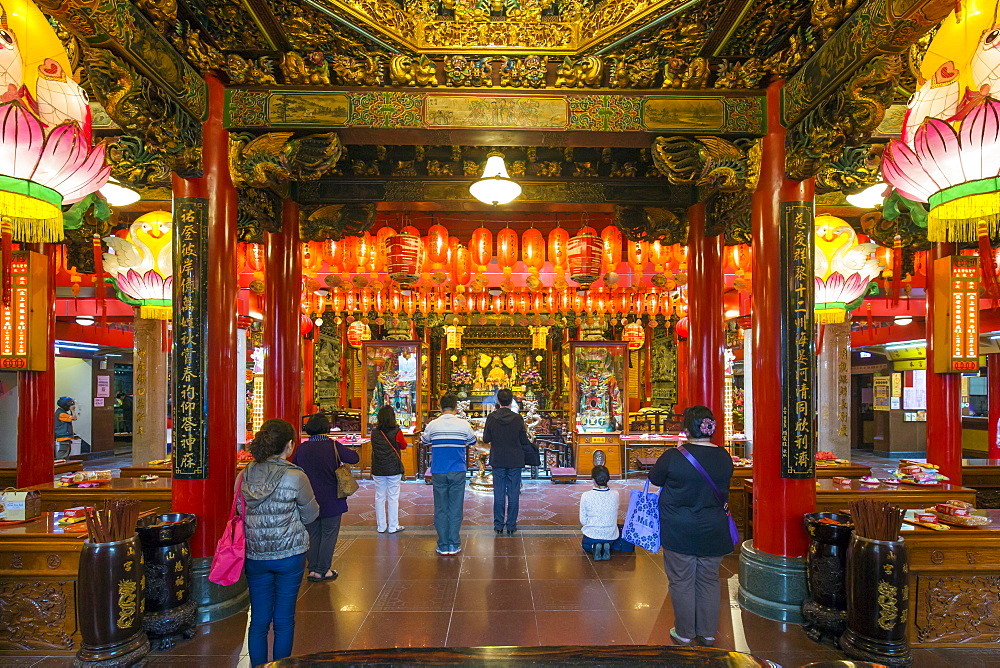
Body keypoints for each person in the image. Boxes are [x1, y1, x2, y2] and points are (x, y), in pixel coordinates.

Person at [648, 405, 734, 648]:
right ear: (710, 427)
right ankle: (707, 633)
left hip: (679, 528)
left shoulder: (674, 456)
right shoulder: (724, 456)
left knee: (682, 580)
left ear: (686, 429)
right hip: (714, 527)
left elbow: (655, 479)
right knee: (709, 579)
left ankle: (685, 633)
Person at [241, 419, 320, 667]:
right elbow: (311, 514)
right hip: (290, 554)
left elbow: (237, 510)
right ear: (289, 445)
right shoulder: (295, 475)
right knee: (284, 619)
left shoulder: (246, 473)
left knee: (259, 621)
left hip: (255, 553)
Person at [292, 413, 360, 582]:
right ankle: (323, 570)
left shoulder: (302, 448)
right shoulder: (333, 446)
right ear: (327, 428)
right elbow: (354, 458)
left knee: (312, 534)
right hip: (332, 499)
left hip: (308, 499)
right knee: (329, 534)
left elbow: (295, 468)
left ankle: (313, 569)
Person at [421, 393, 477, 556]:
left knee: (440, 507)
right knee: (455, 507)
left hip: (438, 470)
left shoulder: (433, 424)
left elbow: (425, 441)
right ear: (456, 408)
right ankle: (454, 543)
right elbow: (472, 441)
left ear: (440, 407)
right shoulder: (463, 424)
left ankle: (443, 544)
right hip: (458, 470)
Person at [483, 388, 533, 536]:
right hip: (515, 459)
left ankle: (498, 525)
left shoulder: (492, 417)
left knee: (498, 493)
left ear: (498, 401)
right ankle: (511, 525)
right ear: (512, 401)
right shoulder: (517, 418)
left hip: (498, 458)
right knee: (513, 493)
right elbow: (524, 440)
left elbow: (486, 439)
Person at [371, 404, 409, 534]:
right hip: (393, 468)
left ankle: (381, 526)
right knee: (393, 497)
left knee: (379, 497)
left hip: (378, 468)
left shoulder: (374, 432)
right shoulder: (397, 431)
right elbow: (403, 446)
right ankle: (393, 526)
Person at [578, 465, 620, 560]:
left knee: (585, 545)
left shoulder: (586, 495)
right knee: (612, 542)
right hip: (611, 535)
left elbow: (583, 521)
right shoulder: (615, 494)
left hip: (592, 535)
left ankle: (593, 548)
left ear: (593, 479)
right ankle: (606, 546)